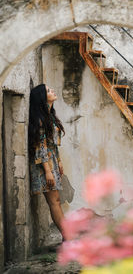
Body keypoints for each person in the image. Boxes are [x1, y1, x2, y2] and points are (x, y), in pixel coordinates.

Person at [28, 84, 65, 239]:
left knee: (56, 200)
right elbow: (40, 146)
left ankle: (67, 236)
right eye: (49, 91)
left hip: (52, 161)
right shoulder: (40, 119)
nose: (53, 91)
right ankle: (68, 237)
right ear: (42, 98)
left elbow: (52, 145)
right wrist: (48, 171)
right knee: (54, 201)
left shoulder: (49, 115)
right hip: (44, 165)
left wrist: (59, 162)